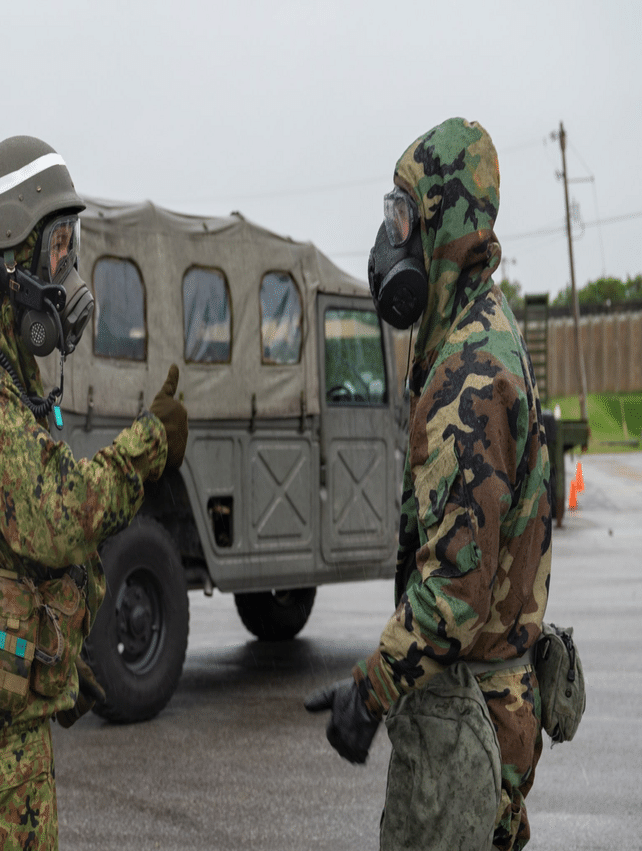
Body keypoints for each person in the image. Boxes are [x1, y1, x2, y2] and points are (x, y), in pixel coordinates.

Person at [305, 118, 552, 851]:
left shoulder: (468, 376)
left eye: (402, 215)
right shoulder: (479, 332)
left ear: (440, 224)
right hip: (485, 706)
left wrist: (368, 691)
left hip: (470, 716)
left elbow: (453, 591)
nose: (390, 236)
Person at [0, 135, 187, 849]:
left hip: (6, 730)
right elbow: (58, 515)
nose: (66, 268)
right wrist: (149, 447)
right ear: (12, 254)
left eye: (69, 246)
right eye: (56, 246)